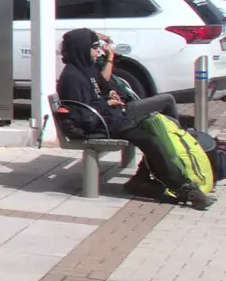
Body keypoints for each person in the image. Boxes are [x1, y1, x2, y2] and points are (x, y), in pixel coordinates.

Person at [56, 28, 211, 209]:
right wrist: (108, 104)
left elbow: (95, 97)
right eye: (93, 47)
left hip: (109, 118)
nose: (97, 51)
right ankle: (184, 188)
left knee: (154, 131)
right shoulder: (72, 77)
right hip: (101, 124)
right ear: (81, 48)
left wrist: (109, 99)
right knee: (150, 139)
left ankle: (143, 179)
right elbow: (83, 115)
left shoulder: (85, 70)